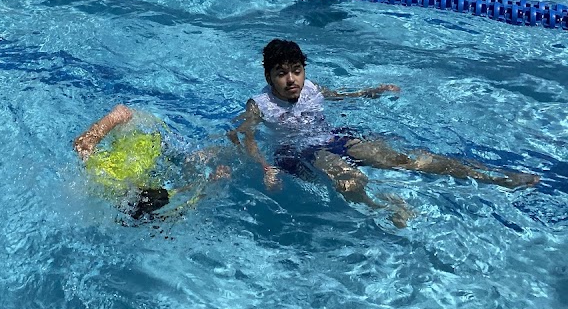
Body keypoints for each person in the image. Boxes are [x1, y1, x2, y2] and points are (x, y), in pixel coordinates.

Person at [232, 40, 538, 226]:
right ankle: (385, 208)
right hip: (296, 153)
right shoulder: (259, 104)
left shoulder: (311, 88)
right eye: (281, 73)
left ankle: (493, 176)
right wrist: (264, 167)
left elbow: (338, 95)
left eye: (296, 70)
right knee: (350, 177)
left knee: (402, 158)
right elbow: (243, 135)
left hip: (329, 138)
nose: (291, 80)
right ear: (268, 75)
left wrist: (371, 92)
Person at [72, 105, 228, 224]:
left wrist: (113, 118)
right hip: (156, 137)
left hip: (137, 129)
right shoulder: (132, 191)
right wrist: (210, 182)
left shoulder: (105, 176)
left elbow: (81, 145)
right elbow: (181, 199)